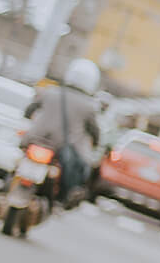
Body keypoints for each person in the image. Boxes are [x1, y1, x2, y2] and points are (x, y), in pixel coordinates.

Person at [22, 57, 105, 206]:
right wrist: (96, 144)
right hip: (61, 148)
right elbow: (95, 131)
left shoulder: (50, 92)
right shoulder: (89, 106)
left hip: (34, 139)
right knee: (78, 173)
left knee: (19, 158)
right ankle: (61, 200)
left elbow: (29, 110)